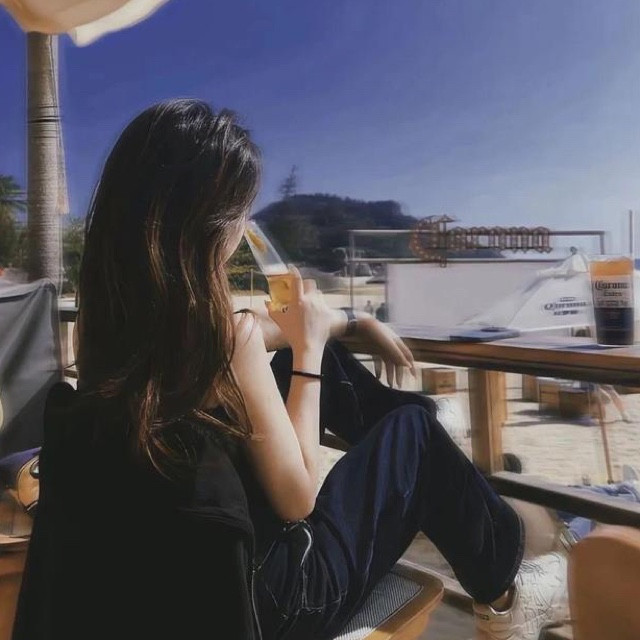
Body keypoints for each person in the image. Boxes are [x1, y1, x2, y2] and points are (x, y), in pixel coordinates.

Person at [14, 100, 568, 640]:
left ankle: (425, 443)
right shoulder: (227, 341)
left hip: (169, 576)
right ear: (212, 225)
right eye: (240, 212)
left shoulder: (106, 328)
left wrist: (346, 322)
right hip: (271, 599)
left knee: (306, 362)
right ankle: (505, 593)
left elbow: (264, 326)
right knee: (413, 434)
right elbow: (298, 499)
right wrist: (308, 350)